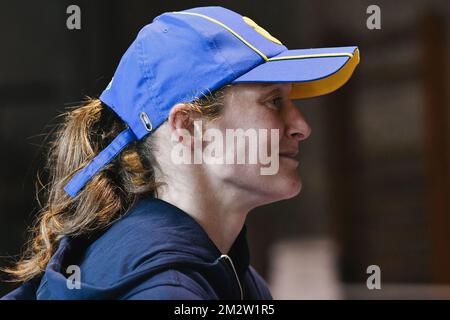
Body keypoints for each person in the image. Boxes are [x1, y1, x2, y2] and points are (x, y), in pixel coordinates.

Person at [1, 6, 359, 300]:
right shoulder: (164, 289)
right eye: (274, 101)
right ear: (187, 127)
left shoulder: (227, 271)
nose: (301, 126)